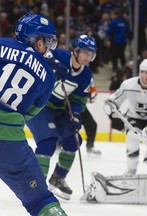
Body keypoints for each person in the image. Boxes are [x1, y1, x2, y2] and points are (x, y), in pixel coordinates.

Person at [0, 13, 67, 216]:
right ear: (36, 40)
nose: (49, 48)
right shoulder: (48, 76)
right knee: (41, 201)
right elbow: (31, 112)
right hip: (9, 145)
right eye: (47, 41)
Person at [26, 34, 97, 200]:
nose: (88, 57)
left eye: (91, 54)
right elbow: (36, 57)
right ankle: (37, 185)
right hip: (38, 106)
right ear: (75, 50)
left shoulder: (86, 75)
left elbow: (78, 99)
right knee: (48, 142)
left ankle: (58, 178)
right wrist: (51, 66)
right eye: (85, 53)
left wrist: (76, 116)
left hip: (58, 109)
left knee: (74, 140)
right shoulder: (58, 55)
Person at [82, 78, 101, 156]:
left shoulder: (88, 77)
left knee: (92, 125)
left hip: (81, 107)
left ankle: (90, 146)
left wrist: (92, 95)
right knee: (67, 125)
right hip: (68, 107)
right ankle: (59, 145)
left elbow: (93, 92)